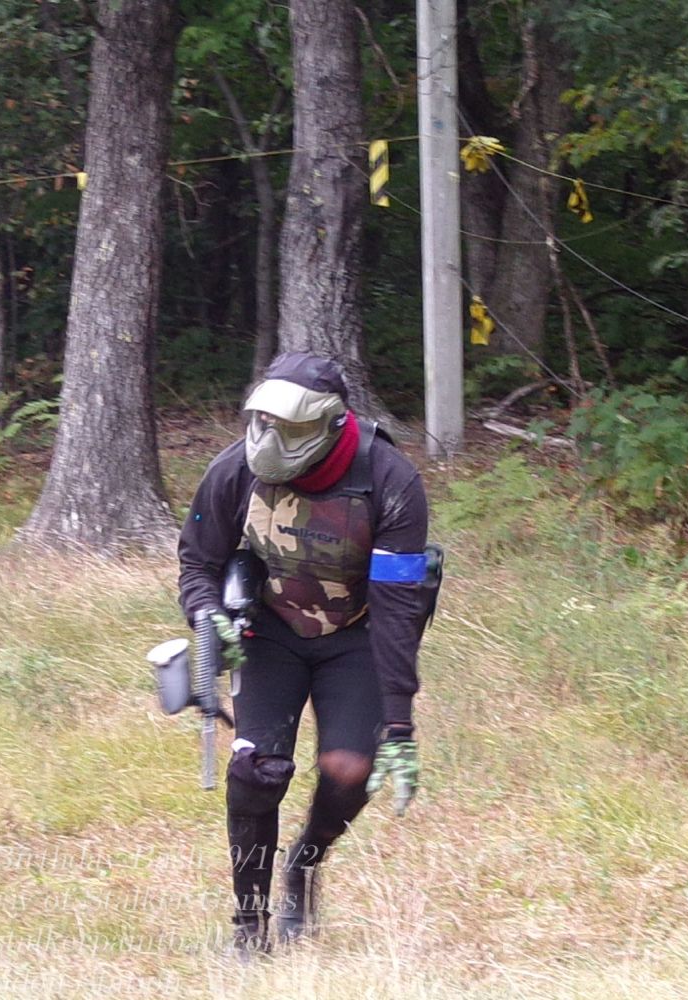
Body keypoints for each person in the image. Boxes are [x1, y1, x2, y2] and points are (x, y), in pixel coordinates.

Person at [177, 352, 434, 956]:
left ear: (330, 423)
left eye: (289, 428)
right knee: (255, 771)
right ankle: (249, 929)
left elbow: (398, 611)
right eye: (263, 424)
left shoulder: (390, 481)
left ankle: (305, 863)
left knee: (351, 771)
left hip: (358, 637)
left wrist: (399, 722)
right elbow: (198, 562)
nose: (270, 440)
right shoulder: (232, 470)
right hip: (268, 634)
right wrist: (209, 617)